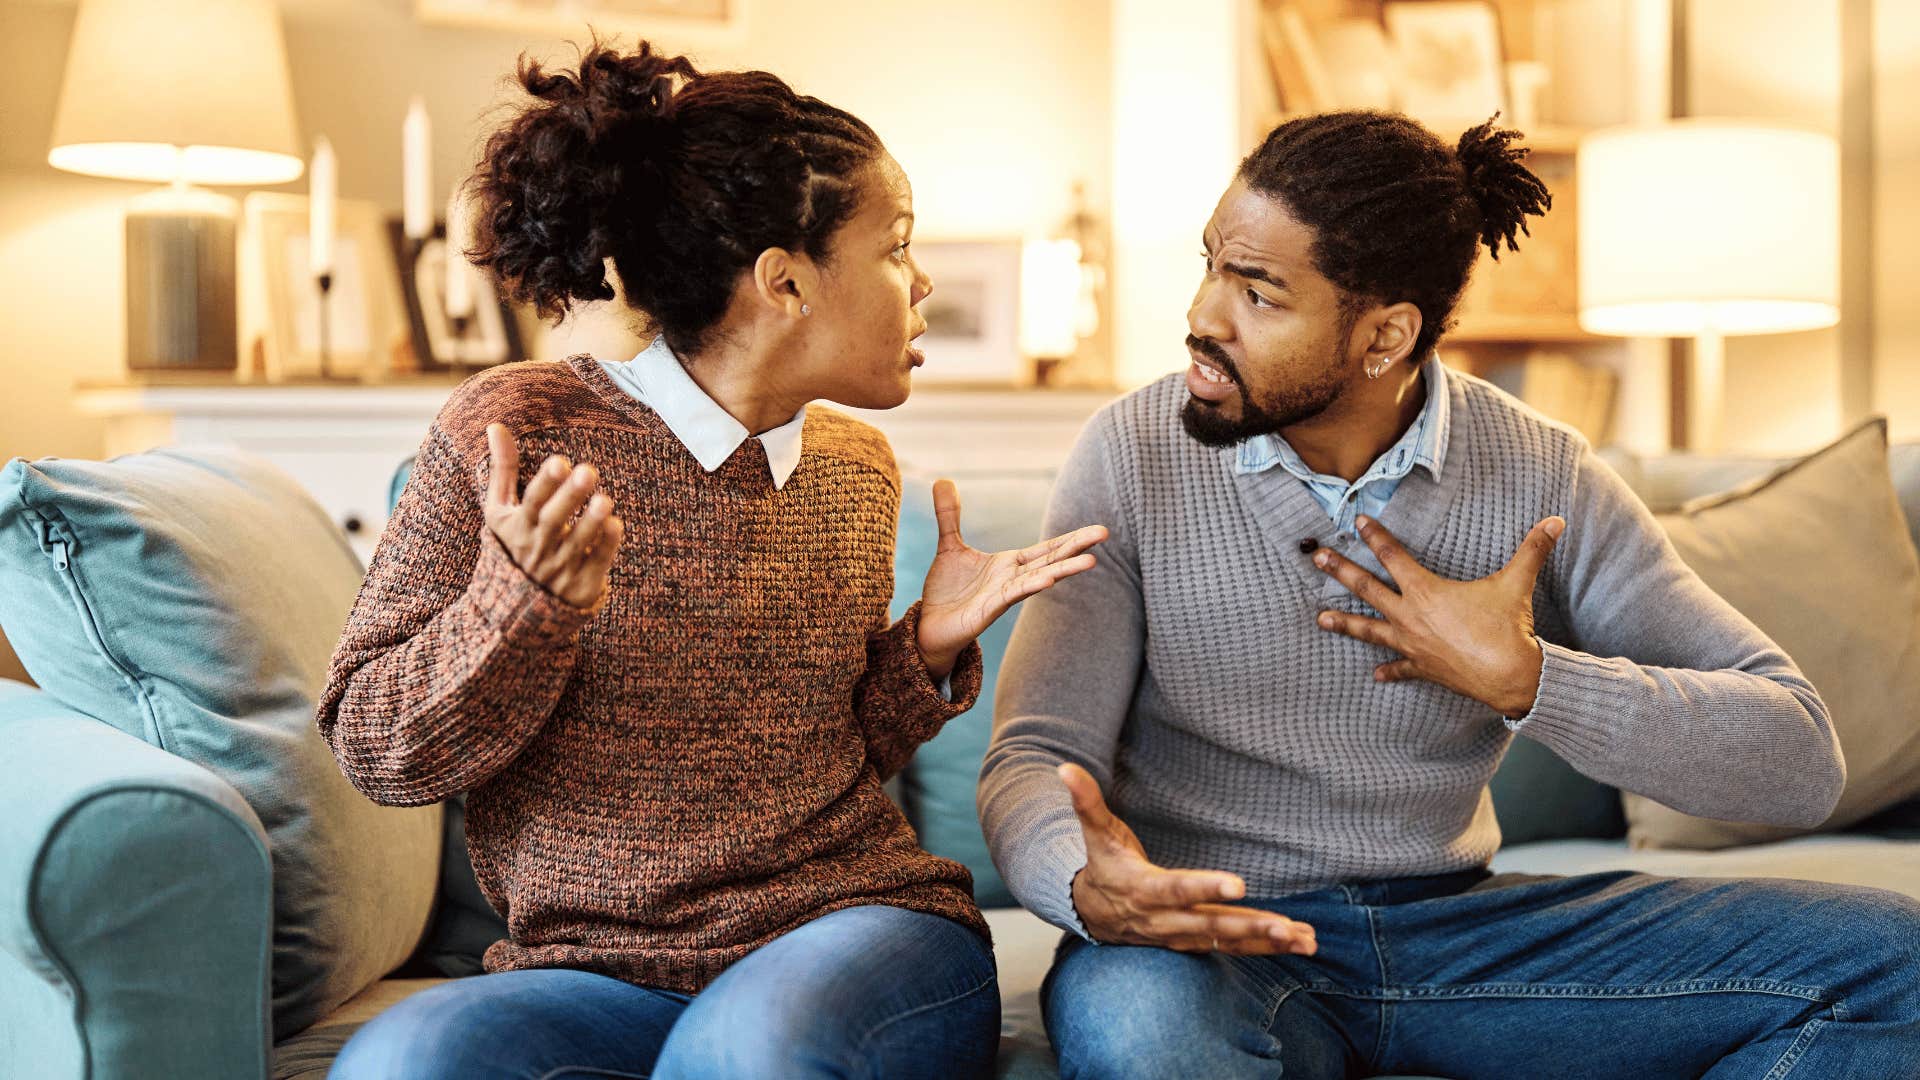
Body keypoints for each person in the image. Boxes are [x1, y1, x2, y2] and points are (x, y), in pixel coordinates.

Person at [979, 110, 1920, 1079]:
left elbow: (1800, 760)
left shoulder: (1541, 475)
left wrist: (1529, 680)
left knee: (1896, 962)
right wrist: (1087, 885)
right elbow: (1035, 756)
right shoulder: (1131, 456)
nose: (1204, 315)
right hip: (1211, 939)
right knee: (1141, 1032)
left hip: (1461, 932)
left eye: (1258, 293)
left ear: (1384, 336)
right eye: (1212, 264)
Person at [316, 38, 1106, 1080]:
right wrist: (522, 607)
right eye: (896, 247)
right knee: (403, 1066)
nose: (921, 286)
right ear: (785, 281)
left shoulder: (855, 470)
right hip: (591, 968)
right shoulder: (512, 428)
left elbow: (813, 761)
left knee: (749, 1054)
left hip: (859, 930)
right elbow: (379, 752)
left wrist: (922, 652)